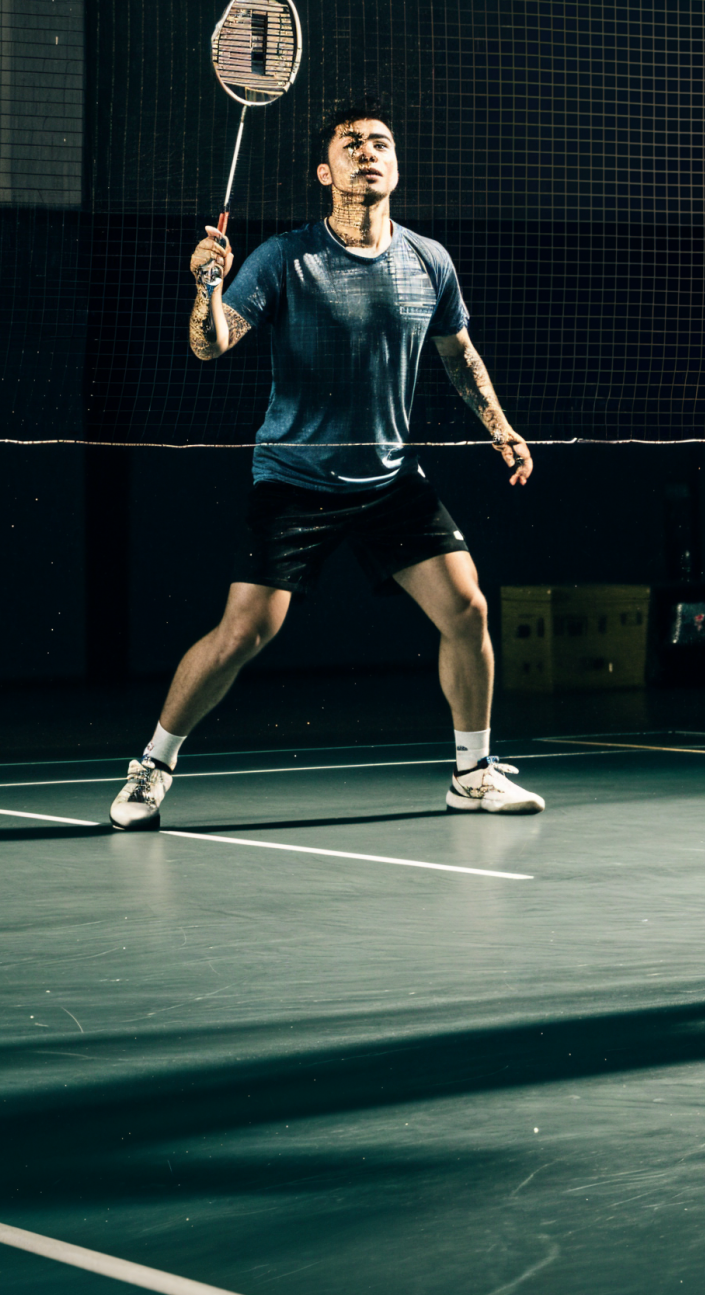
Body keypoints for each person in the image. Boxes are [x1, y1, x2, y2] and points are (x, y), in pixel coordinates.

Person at [110, 101, 544, 826]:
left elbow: (458, 352)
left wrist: (500, 426)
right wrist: (205, 286)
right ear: (325, 170)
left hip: (388, 475)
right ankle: (152, 765)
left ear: (396, 166)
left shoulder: (428, 260)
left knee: (467, 607)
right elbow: (210, 345)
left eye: (381, 143)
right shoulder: (286, 257)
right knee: (245, 631)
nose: (368, 153)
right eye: (352, 144)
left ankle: (472, 772)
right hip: (296, 477)